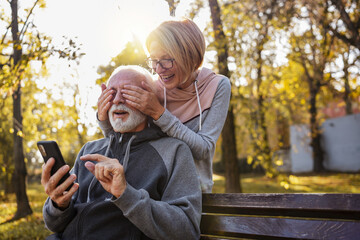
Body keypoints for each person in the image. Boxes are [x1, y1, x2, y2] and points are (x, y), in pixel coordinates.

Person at [42, 65, 202, 240]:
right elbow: (54, 225)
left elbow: (187, 231)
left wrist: (126, 194)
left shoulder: (173, 152)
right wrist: (58, 204)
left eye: (127, 92)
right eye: (111, 93)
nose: (117, 100)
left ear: (149, 98)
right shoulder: (90, 150)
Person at [97, 18, 231, 193]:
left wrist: (159, 114)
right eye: (153, 60)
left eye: (166, 60)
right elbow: (124, 142)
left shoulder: (217, 86)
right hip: (152, 188)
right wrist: (103, 119)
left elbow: (203, 150)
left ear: (189, 54)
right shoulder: (152, 89)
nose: (158, 69)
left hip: (194, 193)